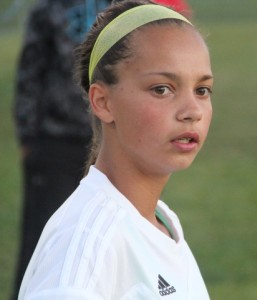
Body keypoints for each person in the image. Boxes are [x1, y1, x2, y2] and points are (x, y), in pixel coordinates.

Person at [18, 0, 213, 298]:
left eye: (202, 90)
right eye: (162, 88)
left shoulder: (161, 220)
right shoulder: (84, 249)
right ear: (102, 102)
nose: (192, 111)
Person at [12, 1, 110, 299]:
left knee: (105, 238)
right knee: (42, 240)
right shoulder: (49, 9)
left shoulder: (123, 7)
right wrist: (29, 137)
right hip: (55, 142)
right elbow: (29, 73)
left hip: (109, 143)